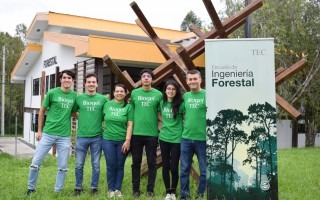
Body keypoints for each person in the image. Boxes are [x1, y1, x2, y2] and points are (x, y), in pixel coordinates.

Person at [26, 70, 77, 196]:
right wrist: (39, 130)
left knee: (63, 166)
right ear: (60, 79)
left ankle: (58, 191)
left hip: (64, 136)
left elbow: (74, 112)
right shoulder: (52, 93)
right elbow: (42, 111)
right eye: (64, 78)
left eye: (69, 78)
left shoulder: (74, 96)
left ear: (72, 80)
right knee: (35, 163)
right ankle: (31, 188)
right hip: (48, 133)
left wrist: (88, 120)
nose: (66, 80)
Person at [130, 68, 162, 197]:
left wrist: (162, 130)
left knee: (152, 163)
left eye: (149, 76)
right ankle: (136, 190)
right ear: (141, 79)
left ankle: (150, 190)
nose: (146, 78)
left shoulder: (158, 94)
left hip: (152, 134)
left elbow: (160, 115)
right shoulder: (134, 93)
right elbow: (131, 113)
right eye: (144, 76)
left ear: (152, 79)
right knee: (136, 163)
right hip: (136, 134)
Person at [73, 73, 107, 196]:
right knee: (78, 165)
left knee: (96, 165)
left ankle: (94, 188)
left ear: (97, 84)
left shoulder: (103, 99)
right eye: (89, 82)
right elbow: (73, 111)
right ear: (85, 84)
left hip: (97, 137)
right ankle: (78, 188)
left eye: (93, 82)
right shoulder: (79, 98)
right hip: (81, 136)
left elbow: (106, 115)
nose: (91, 84)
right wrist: (81, 118)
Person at [102, 84, 133, 198]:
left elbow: (130, 124)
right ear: (113, 93)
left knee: (120, 165)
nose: (119, 93)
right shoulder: (107, 105)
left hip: (122, 141)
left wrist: (128, 140)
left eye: (122, 91)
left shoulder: (128, 107)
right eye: (117, 91)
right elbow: (100, 119)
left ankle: (117, 189)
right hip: (108, 140)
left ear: (125, 93)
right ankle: (110, 189)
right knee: (111, 164)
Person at [180, 70, 206, 200]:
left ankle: (200, 196)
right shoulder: (185, 97)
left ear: (200, 80)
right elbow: (182, 114)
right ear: (186, 82)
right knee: (184, 170)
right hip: (186, 138)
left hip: (203, 139)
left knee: (204, 171)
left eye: (195, 79)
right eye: (190, 79)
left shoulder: (207, 95)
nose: (192, 81)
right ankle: (184, 196)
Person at [158, 80, 183, 200]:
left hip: (177, 138)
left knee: (174, 166)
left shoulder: (180, 104)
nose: (170, 91)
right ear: (165, 90)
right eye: (168, 89)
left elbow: (185, 119)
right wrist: (162, 125)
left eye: (173, 89)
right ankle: (168, 192)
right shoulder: (162, 102)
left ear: (176, 91)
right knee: (165, 165)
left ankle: (173, 192)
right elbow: (158, 114)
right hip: (164, 138)